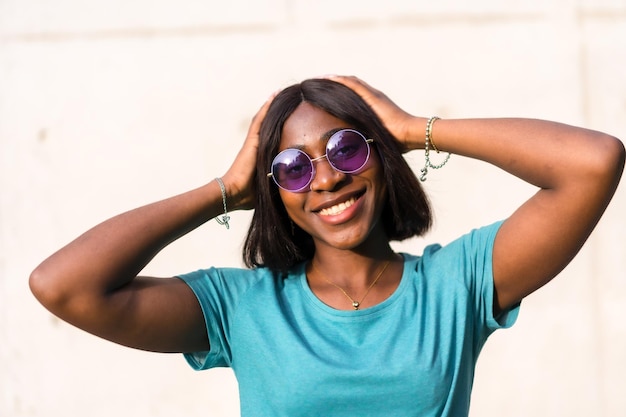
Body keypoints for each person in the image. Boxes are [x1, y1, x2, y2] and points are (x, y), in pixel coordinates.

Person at [29, 76, 625, 416]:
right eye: (292, 167)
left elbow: (594, 164)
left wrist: (410, 129)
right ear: (274, 192)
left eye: (346, 148)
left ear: (379, 159)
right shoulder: (242, 309)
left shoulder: (456, 284)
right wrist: (228, 189)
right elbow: (64, 286)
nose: (327, 178)